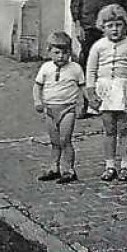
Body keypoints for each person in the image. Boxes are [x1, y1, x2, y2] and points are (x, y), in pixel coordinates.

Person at [85, 4, 127, 183]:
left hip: (124, 89)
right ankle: (110, 165)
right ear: (103, 28)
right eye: (110, 26)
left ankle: (125, 165)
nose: (115, 29)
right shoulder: (98, 46)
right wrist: (91, 92)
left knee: (124, 130)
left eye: (118, 25)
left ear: (125, 26)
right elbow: (91, 70)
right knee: (109, 129)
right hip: (105, 90)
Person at [32, 31, 85, 184]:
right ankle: (53, 168)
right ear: (49, 52)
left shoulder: (75, 68)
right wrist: (38, 101)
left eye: (65, 52)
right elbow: (37, 86)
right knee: (54, 141)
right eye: (56, 52)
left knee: (65, 140)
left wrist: (84, 104)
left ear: (70, 52)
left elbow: (82, 88)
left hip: (67, 109)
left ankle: (69, 170)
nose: (61, 56)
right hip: (50, 109)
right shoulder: (46, 68)